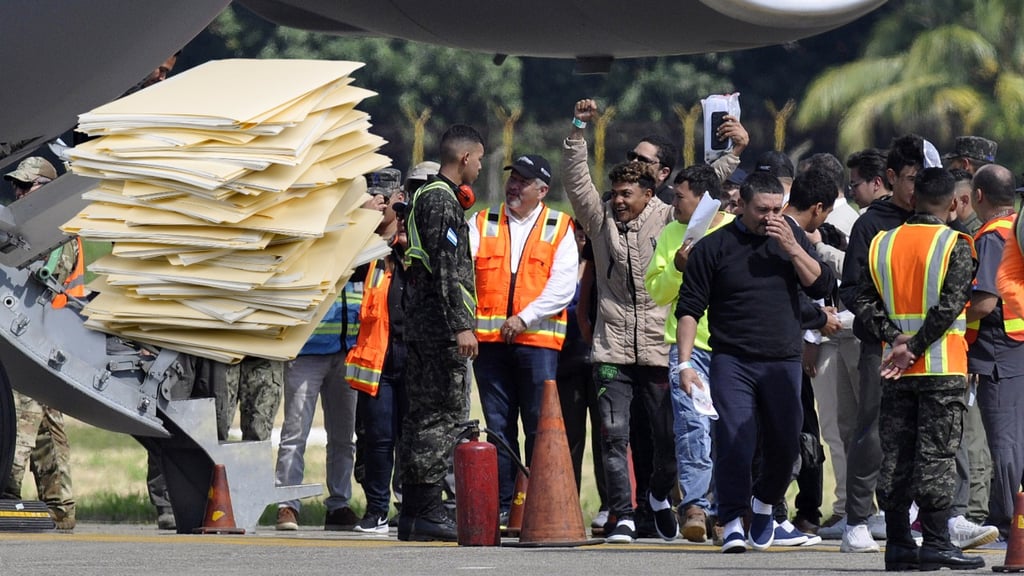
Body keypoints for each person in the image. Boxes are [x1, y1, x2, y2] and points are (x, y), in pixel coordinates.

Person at [675, 170, 835, 553]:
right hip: (733, 360)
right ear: (741, 206)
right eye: (762, 209)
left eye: (777, 208)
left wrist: (793, 248)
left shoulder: (791, 238)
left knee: (786, 443)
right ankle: (731, 520)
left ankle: (764, 504)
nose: (770, 217)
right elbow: (689, 310)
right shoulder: (714, 248)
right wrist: (684, 365)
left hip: (782, 360)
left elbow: (822, 285)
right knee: (736, 438)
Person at [852, 167, 984, 571]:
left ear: (912, 199)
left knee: (896, 457)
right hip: (941, 368)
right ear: (954, 204)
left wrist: (896, 341)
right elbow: (950, 306)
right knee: (937, 457)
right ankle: (938, 542)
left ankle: (898, 543)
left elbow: (863, 303)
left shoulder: (881, 244)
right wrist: (916, 346)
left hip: (896, 371)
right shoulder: (955, 244)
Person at [563, 99, 677, 545]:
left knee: (665, 441)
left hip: (657, 350)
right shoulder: (601, 219)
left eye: (627, 195)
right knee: (613, 437)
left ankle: (657, 501)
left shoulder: (668, 220)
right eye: (615, 195)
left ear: (650, 195)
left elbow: (702, 197)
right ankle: (623, 516)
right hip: (610, 351)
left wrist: (729, 157)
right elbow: (577, 181)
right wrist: (577, 130)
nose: (619, 202)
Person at [274, 179, 400, 532]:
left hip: (347, 350)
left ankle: (339, 504)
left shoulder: (371, 245)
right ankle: (287, 504)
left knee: (343, 436)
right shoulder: (322, 233)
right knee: (295, 430)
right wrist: (355, 216)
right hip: (309, 349)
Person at [469, 154, 577, 524]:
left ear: (542, 190)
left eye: (523, 181)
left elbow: (563, 287)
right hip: (489, 343)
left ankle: (535, 505)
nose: (513, 185)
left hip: (538, 343)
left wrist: (524, 318)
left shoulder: (559, 225)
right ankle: (501, 506)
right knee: (498, 427)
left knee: (537, 426)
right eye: (512, 178)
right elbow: (464, 273)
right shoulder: (482, 221)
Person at [834, 134, 923, 551]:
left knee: (925, 434)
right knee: (872, 430)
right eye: (910, 178)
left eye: (924, 177)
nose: (917, 186)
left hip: (928, 347)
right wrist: (890, 332)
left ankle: (911, 514)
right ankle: (856, 518)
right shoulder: (872, 222)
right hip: (882, 347)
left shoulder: (933, 219)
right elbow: (851, 290)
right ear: (890, 177)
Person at [399, 124, 484, 542]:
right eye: (480, 159)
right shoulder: (443, 201)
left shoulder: (426, 198)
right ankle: (428, 511)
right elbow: (448, 270)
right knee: (441, 418)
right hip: (439, 331)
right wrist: (462, 326)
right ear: (465, 158)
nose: (481, 168)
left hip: (423, 326)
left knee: (421, 418)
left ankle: (414, 513)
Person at [644, 163, 734, 543]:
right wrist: (679, 268)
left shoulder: (736, 229)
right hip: (689, 349)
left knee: (729, 431)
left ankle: (726, 509)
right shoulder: (670, 234)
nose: (674, 203)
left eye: (679, 197)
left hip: (733, 348)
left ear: (703, 200)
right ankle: (695, 506)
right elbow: (657, 292)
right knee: (692, 427)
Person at [1, 157, 75, 530]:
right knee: (48, 428)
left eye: (26, 186)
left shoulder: (56, 234)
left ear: (47, 189)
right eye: (16, 185)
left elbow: (38, 280)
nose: (18, 192)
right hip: (43, 344)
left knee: (20, 426)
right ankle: (62, 510)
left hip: (43, 341)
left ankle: (8, 497)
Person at [346, 182, 413, 534]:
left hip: (414, 360)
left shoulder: (420, 258)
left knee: (413, 438)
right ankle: (376, 511)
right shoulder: (372, 258)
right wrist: (364, 219)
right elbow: (339, 256)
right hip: (378, 361)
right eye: (396, 214)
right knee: (378, 439)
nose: (400, 222)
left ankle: (412, 508)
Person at [966, 164, 1022, 543]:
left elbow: (984, 302)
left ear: (978, 196)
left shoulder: (990, 236)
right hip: (1018, 343)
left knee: (1004, 442)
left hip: (999, 350)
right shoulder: (1018, 228)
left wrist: (948, 320)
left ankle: (1010, 525)